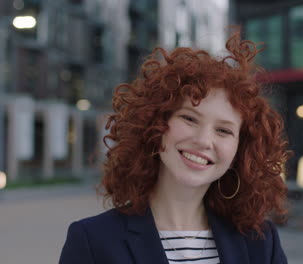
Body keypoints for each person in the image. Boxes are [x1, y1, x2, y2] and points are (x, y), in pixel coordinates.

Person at [59, 30, 290, 264]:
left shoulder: (260, 242)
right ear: (156, 125)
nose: (203, 140)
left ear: (241, 151)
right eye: (189, 119)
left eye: (224, 130)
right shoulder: (93, 241)